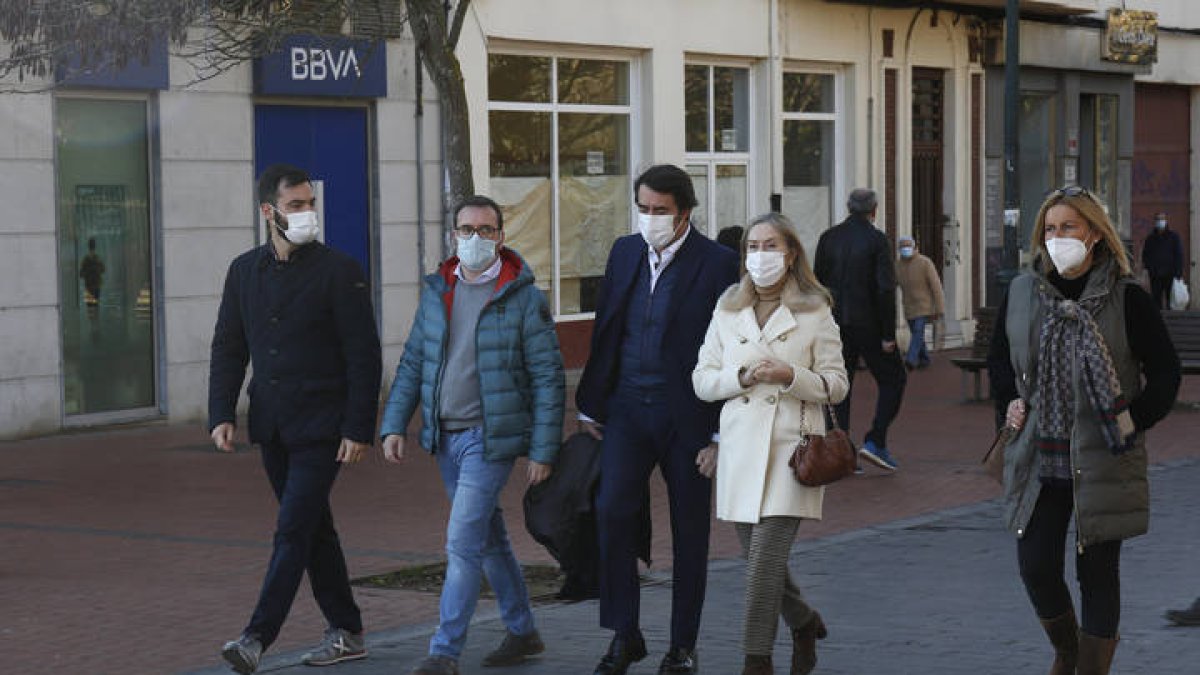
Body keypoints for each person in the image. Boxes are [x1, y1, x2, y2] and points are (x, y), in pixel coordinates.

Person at [987, 186, 1180, 675]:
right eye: (1049, 229)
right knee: (1035, 563)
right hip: (1039, 452)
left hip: (1103, 455)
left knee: (1097, 572)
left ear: (1094, 233)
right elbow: (1000, 363)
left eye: (1068, 227)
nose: (1057, 238)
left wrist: (1131, 423)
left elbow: (1165, 372)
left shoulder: (1125, 297)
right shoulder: (1023, 293)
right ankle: (1068, 649)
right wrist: (1008, 403)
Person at [379, 195, 565, 675]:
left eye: (486, 230)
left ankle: (444, 651)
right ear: (454, 235)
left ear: (501, 237)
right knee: (487, 540)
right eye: (467, 230)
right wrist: (394, 423)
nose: (476, 239)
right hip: (446, 437)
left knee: (461, 542)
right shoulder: (438, 291)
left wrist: (543, 450)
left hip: (491, 437)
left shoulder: (523, 298)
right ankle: (523, 631)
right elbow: (415, 361)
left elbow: (548, 377)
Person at [209, 164, 383, 674]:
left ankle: (254, 638)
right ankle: (347, 630)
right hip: (272, 424)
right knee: (313, 530)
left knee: (291, 531)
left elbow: (363, 355)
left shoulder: (339, 270)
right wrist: (221, 411)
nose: (307, 213)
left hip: (324, 428)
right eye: (296, 205)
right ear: (269, 212)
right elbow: (229, 344)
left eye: (310, 203)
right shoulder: (244, 270)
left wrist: (357, 427)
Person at [576, 164, 739, 675]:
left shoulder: (717, 263)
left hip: (687, 417)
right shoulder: (625, 251)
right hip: (626, 409)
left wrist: (718, 431)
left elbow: (732, 346)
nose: (650, 219)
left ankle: (682, 645)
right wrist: (591, 401)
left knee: (690, 530)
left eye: (660, 211)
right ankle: (624, 635)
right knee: (611, 512)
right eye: (643, 209)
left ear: (684, 212)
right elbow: (609, 326)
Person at [692, 213, 848, 675]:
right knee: (759, 559)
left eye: (769, 246)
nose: (759, 256)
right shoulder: (727, 308)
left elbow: (836, 385)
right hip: (740, 452)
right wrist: (739, 377)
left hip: (792, 451)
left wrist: (790, 376)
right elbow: (702, 379)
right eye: (752, 247)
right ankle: (803, 621)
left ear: (791, 252)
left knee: (761, 566)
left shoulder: (815, 311)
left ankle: (755, 661)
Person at [813, 188, 906, 472]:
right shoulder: (876, 241)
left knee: (840, 385)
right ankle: (876, 439)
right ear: (874, 210)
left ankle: (842, 451)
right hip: (869, 324)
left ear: (848, 207)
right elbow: (885, 289)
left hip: (835, 322)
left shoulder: (828, 238)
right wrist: (888, 334)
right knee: (894, 379)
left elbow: (817, 282)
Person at [895, 235, 945, 370]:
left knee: (918, 331)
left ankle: (911, 359)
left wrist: (940, 307)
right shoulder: (898, 266)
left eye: (908, 246)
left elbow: (936, 285)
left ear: (914, 247)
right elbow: (894, 283)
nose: (905, 249)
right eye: (903, 247)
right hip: (909, 306)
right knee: (917, 334)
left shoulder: (925, 263)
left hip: (924, 305)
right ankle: (925, 358)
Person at [1141, 211, 1184, 310]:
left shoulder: (1173, 237)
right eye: (1158, 219)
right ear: (1155, 221)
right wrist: (1148, 268)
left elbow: (1178, 254)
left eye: (1162, 219)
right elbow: (1146, 254)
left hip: (1170, 273)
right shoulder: (1150, 238)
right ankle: (1159, 320)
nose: (1160, 221)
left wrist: (1178, 273)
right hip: (1155, 274)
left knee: (1171, 298)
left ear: (1166, 221)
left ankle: (1172, 320)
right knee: (1156, 299)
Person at [79, 237, 105, 306]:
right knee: (96, 306)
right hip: (96, 285)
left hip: (89, 286)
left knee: (90, 307)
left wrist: (87, 273)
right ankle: (96, 316)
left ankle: (92, 316)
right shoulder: (98, 258)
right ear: (95, 246)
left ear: (88, 246)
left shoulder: (85, 259)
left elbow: (81, 274)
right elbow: (103, 270)